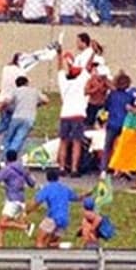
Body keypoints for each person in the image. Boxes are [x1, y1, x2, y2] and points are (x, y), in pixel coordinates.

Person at [0, 149, 37, 247]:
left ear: (7, 158)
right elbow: (32, 184)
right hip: (21, 200)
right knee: (0, 226)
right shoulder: (23, 169)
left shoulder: (7, 169)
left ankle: (25, 227)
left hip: (13, 200)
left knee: (2, 224)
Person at [23, 168, 80, 248]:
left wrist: (26, 212)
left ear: (47, 178)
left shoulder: (47, 188)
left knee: (40, 241)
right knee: (50, 243)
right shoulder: (65, 188)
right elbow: (77, 198)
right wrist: (89, 194)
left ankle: (41, 257)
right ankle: (61, 246)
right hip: (64, 219)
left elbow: (37, 202)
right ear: (58, 177)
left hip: (53, 218)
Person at [56, 48, 91, 176]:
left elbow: (59, 69)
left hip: (64, 114)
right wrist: (93, 52)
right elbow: (87, 67)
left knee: (63, 141)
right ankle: (74, 169)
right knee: (77, 143)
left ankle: (61, 167)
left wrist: (59, 55)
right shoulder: (80, 82)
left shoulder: (63, 82)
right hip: (77, 115)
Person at [0, 76, 48, 160]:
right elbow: (46, 100)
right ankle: (12, 153)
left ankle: (5, 156)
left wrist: (3, 107)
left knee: (9, 137)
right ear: (26, 83)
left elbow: (7, 101)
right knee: (19, 137)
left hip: (16, 117)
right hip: (29, 118)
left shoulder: (15, 91)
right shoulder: (34, 91)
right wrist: (37, 104)